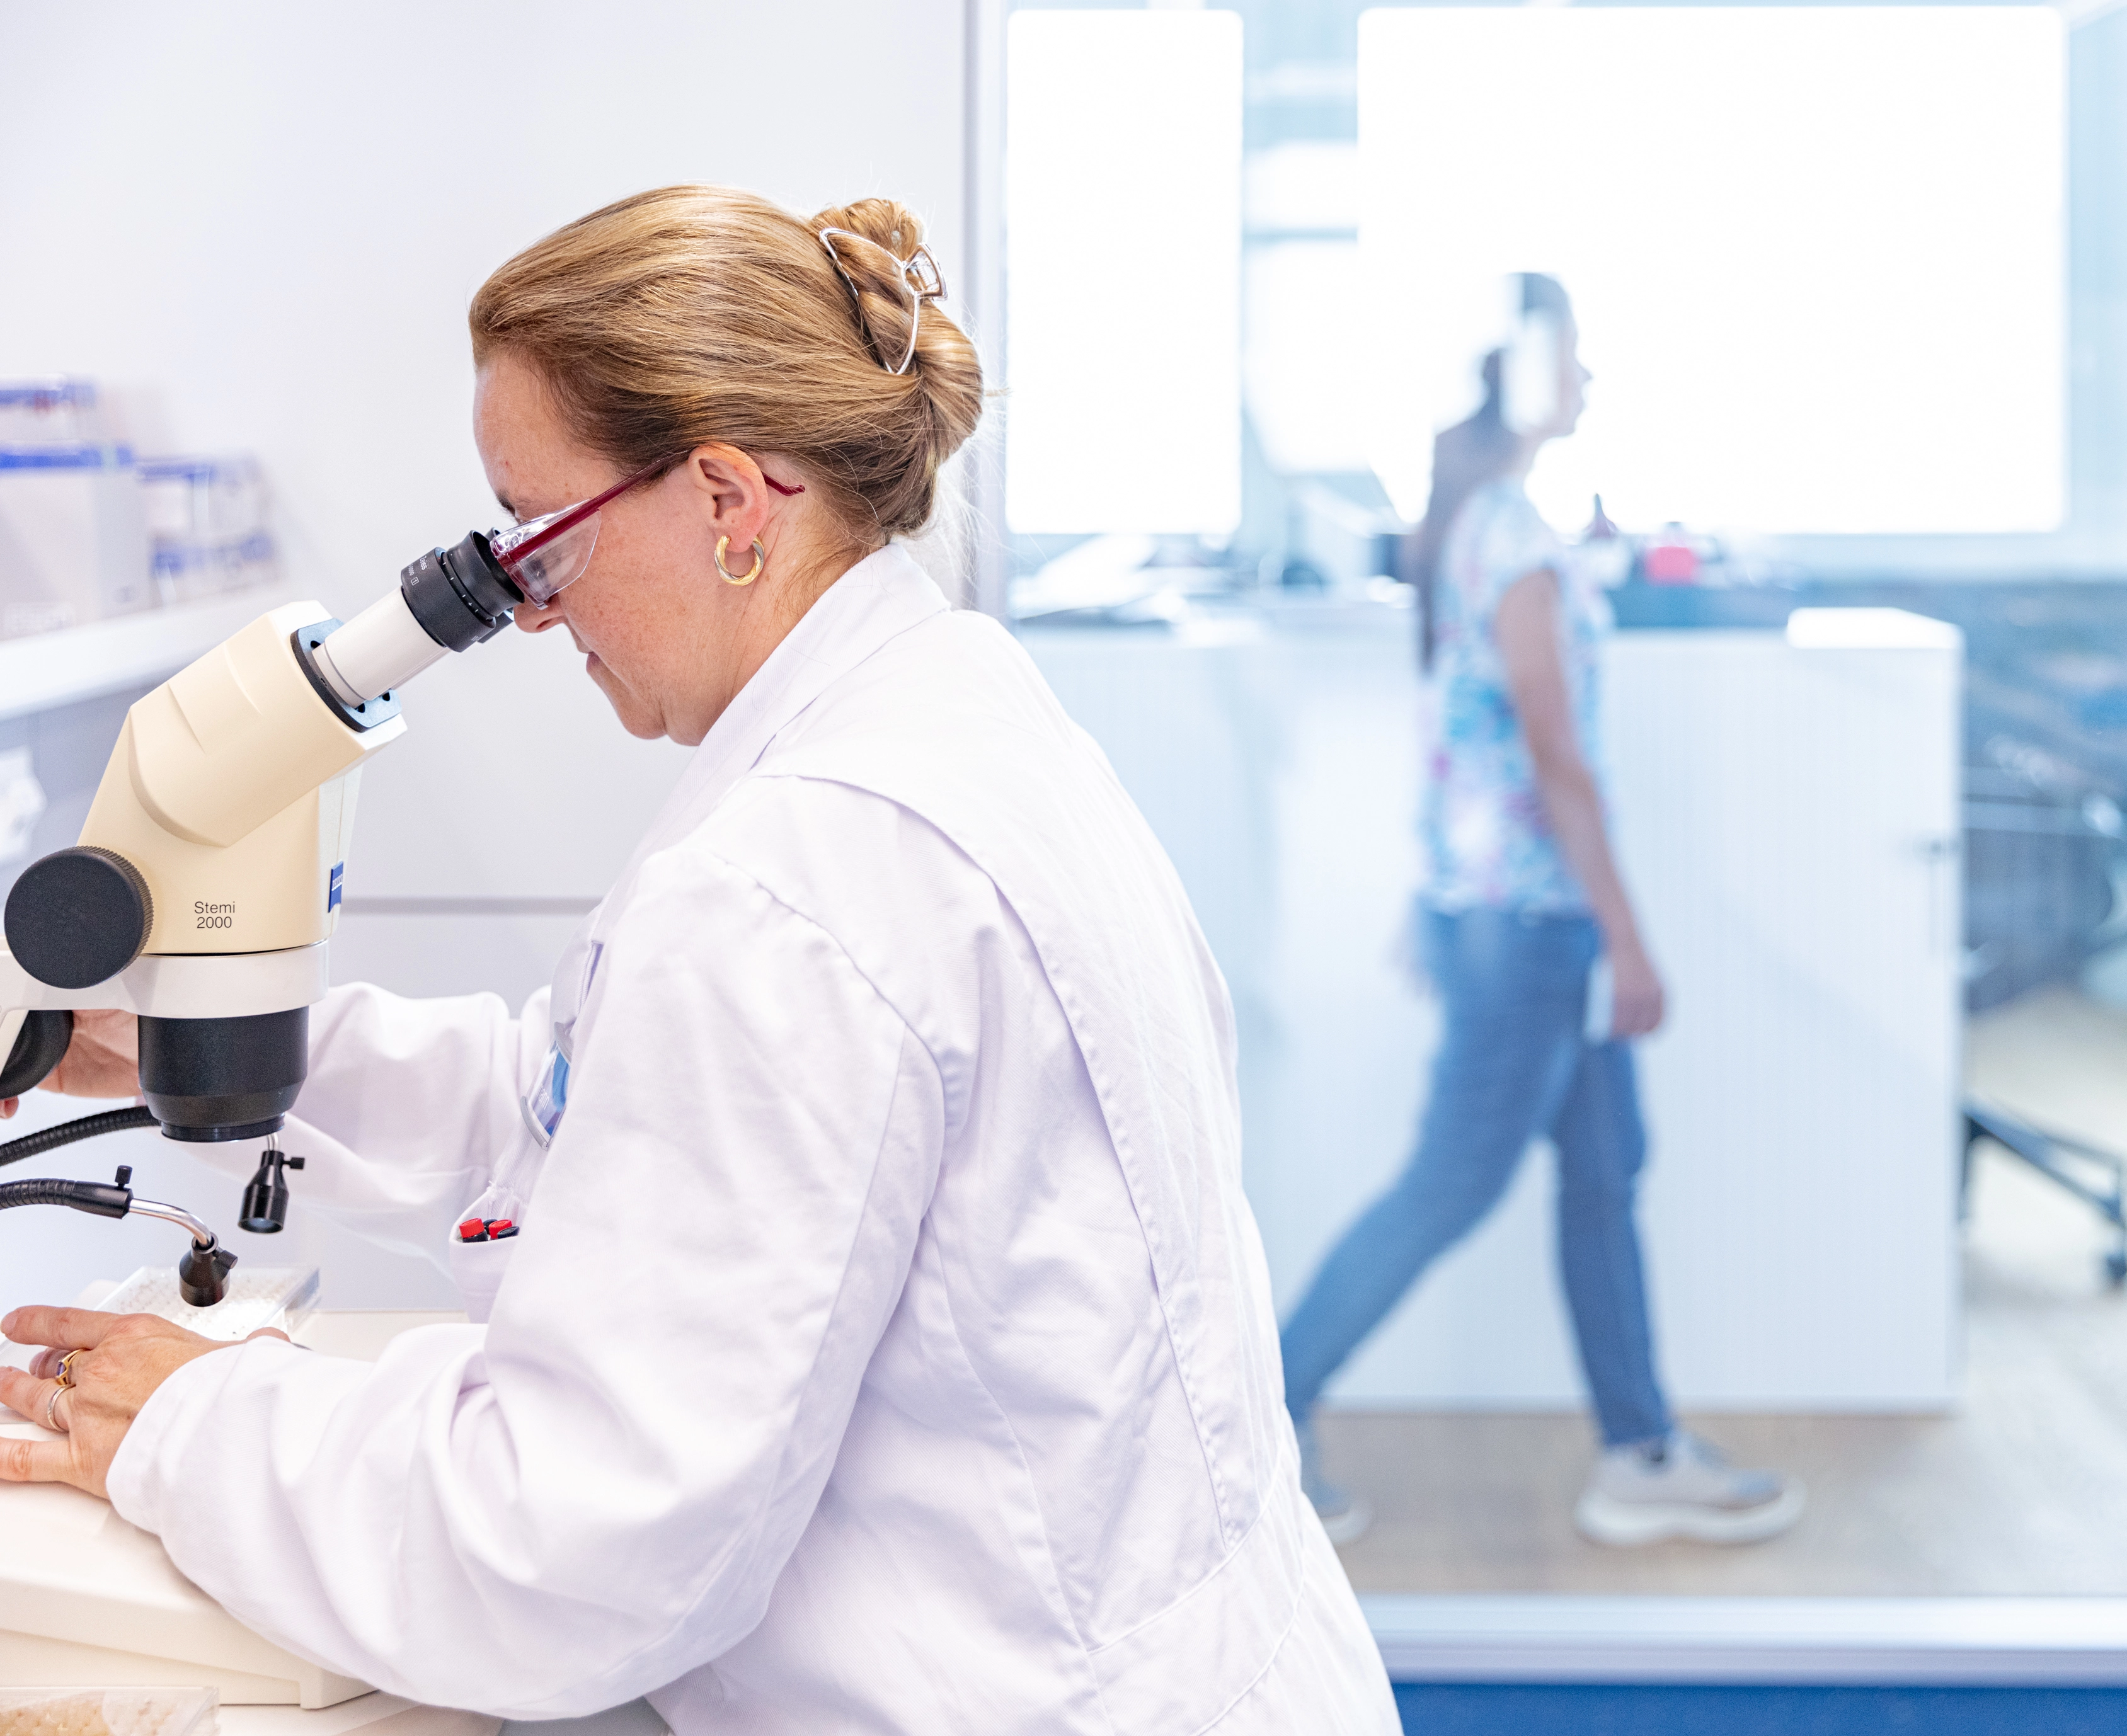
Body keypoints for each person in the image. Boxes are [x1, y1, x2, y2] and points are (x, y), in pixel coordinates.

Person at [0, 186, 1399, 1736]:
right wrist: (212, 1041)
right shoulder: (944, 716)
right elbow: (583, 1096)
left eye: (534, 541)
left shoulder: (793, 882)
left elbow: (561, 1559)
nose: (524, 613)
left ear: (731, 499)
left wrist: (193, 1414)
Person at [1276, 275, 1805, 1550]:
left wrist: (1443, 894)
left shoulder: (1473, 523)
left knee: (1604, 1173)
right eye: (1573, 356)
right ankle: (1259, 1421)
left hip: (1499, 910)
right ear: (1515, 373)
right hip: (1533, 925)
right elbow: (1550, 757)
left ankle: (1639, 1452)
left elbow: (1463, 738)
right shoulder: (1510, 541)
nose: (1589, 378)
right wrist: (1625, 935)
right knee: (1451, 1185)